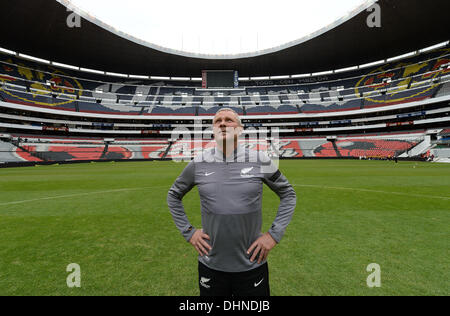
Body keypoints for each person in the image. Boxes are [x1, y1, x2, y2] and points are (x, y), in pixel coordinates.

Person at [167, 108, 297, 296]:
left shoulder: (261, 160)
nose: (222, 123)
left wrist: (273, 235)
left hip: (252, 264)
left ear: (240, 129)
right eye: (218, 121)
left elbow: (288, 193)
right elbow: (173, 195)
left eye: (229, 120)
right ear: (213, 129)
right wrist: (189, 232)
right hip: (211, 264)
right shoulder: (198, 162)